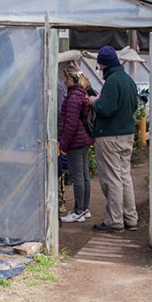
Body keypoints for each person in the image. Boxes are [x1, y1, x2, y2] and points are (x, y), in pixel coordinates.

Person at [89, 46, 139, 232]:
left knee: (112, 179)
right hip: (127, 134)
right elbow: (134, 105)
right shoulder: (128, 80)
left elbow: (106, 108)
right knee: (125, 176)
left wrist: (95, 102)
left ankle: (114, 221)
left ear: (102, 64)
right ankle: (130, 218)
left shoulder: (111, 82)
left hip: (109, 135)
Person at [58, 65, 94, 222]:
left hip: (75, 142)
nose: (64, 82)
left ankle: (78, 210)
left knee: (78, 176)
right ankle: (84, 208)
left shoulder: (73, 98)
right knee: (85, 175)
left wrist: (63, 145)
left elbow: (70, 124)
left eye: (65, 79)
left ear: (71, 80)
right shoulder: (81, 94)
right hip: (83, 140)